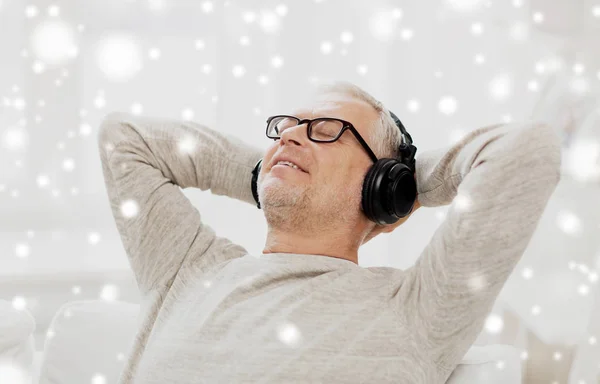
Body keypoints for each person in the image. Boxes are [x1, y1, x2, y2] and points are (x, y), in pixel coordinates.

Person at [97, 80, 562, 383]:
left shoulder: (417, 310)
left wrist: (401, 188)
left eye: (326, 129)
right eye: (286, 127)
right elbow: (123, 138)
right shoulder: (186, 269)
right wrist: (267, 172)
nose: (289, 136)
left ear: (381, 183)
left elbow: (527, 149)